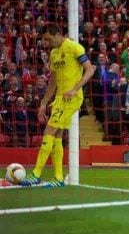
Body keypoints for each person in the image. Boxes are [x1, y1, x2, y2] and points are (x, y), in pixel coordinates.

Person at [21, 24, 96, 187]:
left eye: (48, 39)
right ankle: (59, 178)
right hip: (60, 99)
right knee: (57, 135)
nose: (47, 43)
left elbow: (90, 70)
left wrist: (74, 89)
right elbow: (53, 82)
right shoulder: (54, 54)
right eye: (44, 41)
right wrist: (43, 103)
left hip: (72, 97)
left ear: (57, 35)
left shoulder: (74, 47)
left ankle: (36, 173)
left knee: (48, 130)